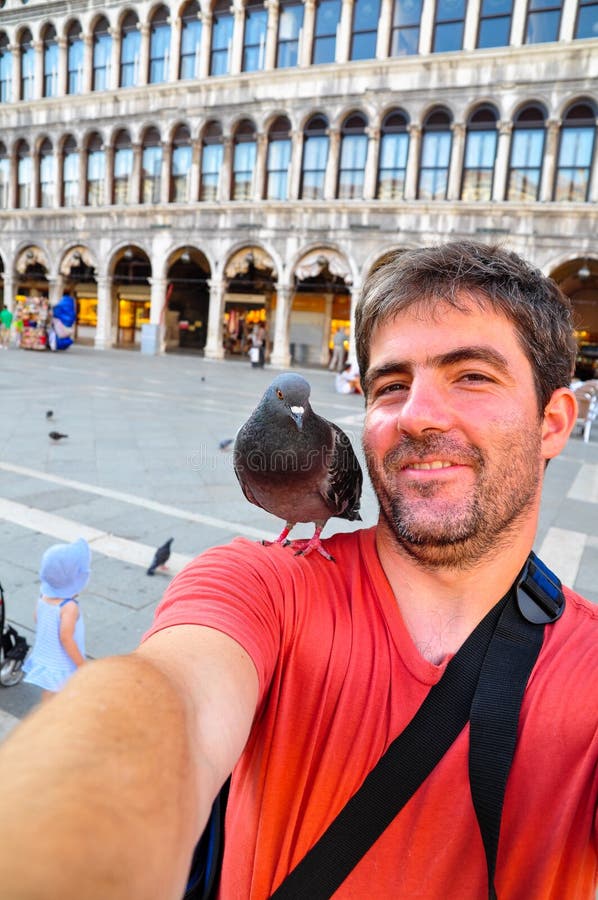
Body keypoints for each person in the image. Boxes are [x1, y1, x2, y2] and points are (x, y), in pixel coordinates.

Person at [0, 241, 596, 900]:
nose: (419, 414)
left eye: (473, 375)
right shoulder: (260, 583)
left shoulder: (587, 674)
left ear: (553, 421)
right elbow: (174, 698)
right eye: (392, 384)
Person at [22, 538, 90, 699]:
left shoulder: (43, 597)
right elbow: (66, 638)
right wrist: (82, 665)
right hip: (62, 662)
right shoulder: (69, 606)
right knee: (58, 695)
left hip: (46, 655)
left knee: (51, 692)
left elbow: (37, 618)